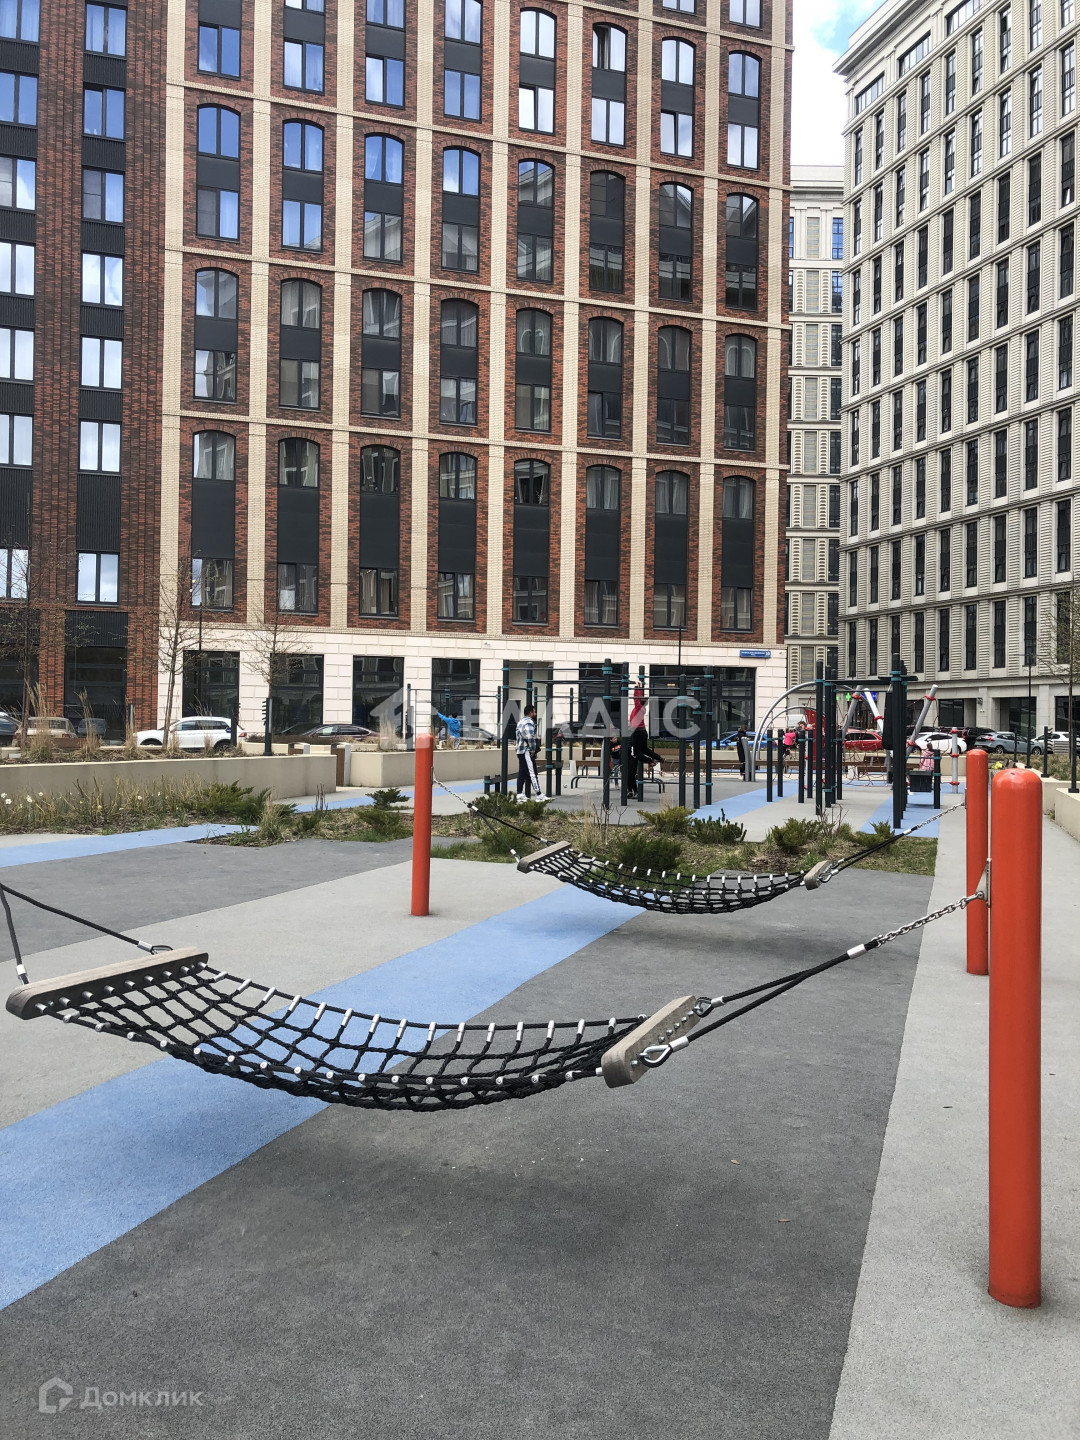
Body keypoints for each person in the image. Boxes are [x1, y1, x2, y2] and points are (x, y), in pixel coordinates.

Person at [515, 704, 541, 799]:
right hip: (526, 750)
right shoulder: (529, 722)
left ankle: (519, 793)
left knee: (522, 772)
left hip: (520, 750)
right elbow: (530, 737)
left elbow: (523, 736)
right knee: (532, 772)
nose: (535, 714)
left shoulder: (520, 721)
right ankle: (539, 794)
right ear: (531, 712)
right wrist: (533, 749)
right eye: (534, 712)